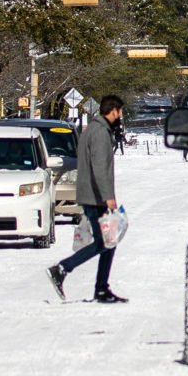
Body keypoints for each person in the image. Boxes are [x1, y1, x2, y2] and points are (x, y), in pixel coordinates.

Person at [45, 95, 125, 304]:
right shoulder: (99, 132)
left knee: (109, 242)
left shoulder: (94, 130)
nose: (121, 116)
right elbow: (99, 168)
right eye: (121, 112)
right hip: (95, 196)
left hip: (92, 194)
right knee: (103, 242)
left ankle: (101, 289)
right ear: (114, 111)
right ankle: (62, 268)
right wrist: (108, 198)